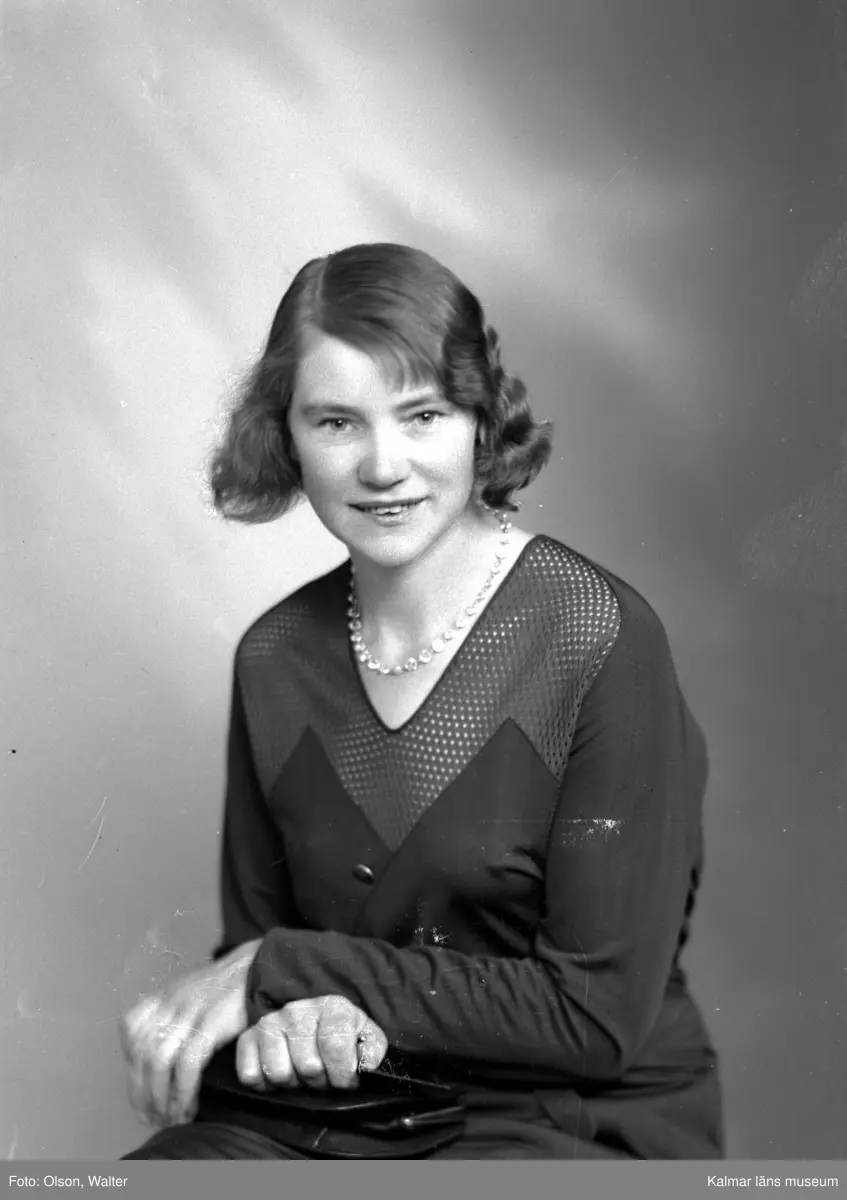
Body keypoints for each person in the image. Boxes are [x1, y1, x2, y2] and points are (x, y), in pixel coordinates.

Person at [119, 242, 724, 1159]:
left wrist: (292, 970)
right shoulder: (273, 657)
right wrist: (290, 1009)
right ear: (285, 436)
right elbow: (255, 963)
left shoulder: (595, 635)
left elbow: (594, 1017)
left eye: (423, 415)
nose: (382, 465)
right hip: (347, 1111)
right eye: (336, 422)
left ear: (481, 422)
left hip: (558, 1121)